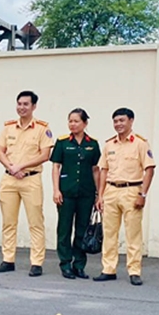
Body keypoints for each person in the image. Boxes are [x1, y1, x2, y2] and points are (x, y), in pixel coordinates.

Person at [94, 108, 155, 285]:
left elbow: (149, 169)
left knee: (133, 233)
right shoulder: (109, 144)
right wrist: (100, 195)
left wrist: (143, 194)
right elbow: (103, 170)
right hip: (111, 191)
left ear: (131, 121)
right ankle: (108, 269)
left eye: (122, 120)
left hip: (132, 190)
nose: (118, 124)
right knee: (109, 232)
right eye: (115, 121)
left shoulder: (140, 143)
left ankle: (134, 271)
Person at [0, 90, 53, 277]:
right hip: (10, 179)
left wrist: (21, 166)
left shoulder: (42, 129)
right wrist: (11, 167)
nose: (22, 107)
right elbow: (0, 151)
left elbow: (45, 155)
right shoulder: (8, 128)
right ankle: (8, 259)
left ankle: (36, 262)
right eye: (19, 103)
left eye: (26, 104)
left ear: (34, 106)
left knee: (35, 222)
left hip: (31, 179)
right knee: (8, 222)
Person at [50, 109, 101, 279]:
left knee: (82, 229)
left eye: (76, 121)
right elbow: (56, 166)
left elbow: (96, 170)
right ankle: (65, 264)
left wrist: (98, 194)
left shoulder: (92, 144)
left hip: (86, 193)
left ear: (85, 123)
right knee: (64, 229)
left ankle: (79, 265)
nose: (72, 124)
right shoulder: (63, 142)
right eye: (70, 121)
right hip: (66, 192)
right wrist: (56, 190)